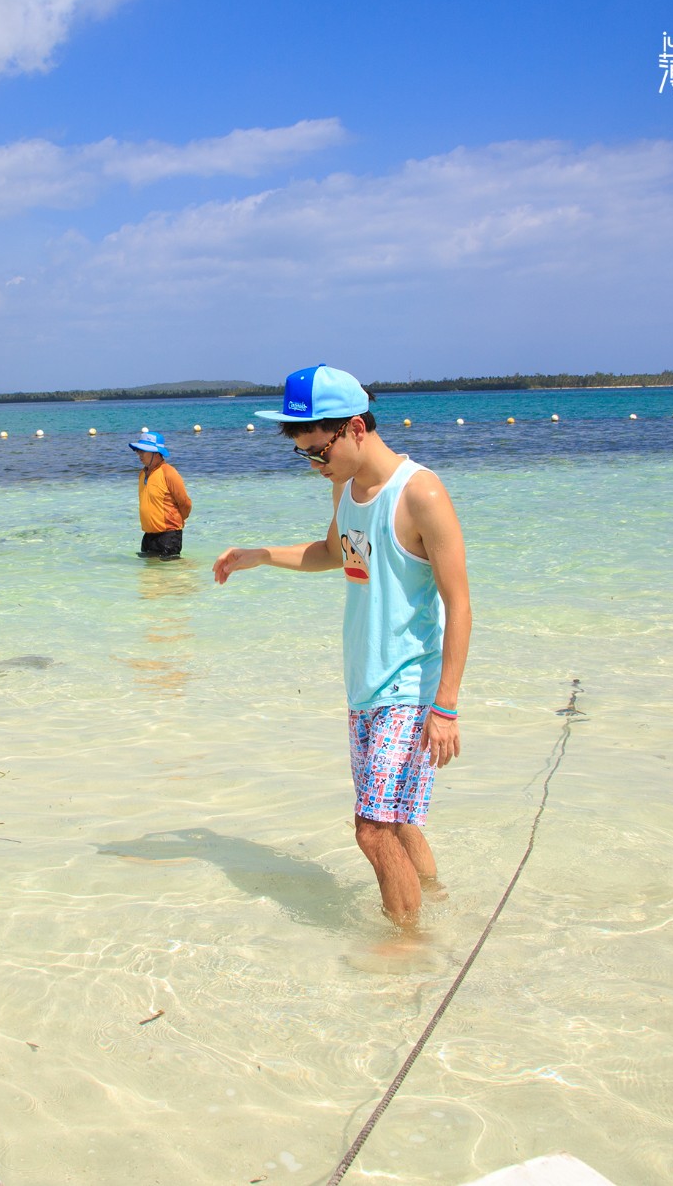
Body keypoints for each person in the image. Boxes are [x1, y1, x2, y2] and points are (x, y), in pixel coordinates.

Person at [211, 365, 471, 932]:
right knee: (396, 821)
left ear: (355, 428)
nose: (314, 465)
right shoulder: (345, 488)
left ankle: (407, 943)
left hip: (411, 687)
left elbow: (460, 604)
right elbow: (335, 553)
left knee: (370, 829)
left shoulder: (420, 493)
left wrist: (446, 706)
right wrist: (260, 554)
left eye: (318, 452)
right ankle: (437, 904)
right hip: (365, 685)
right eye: (303, 454)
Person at [131, 431, 192, 559]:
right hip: (148, 535)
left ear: (156, 453)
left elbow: (185, 503)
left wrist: (176, 522)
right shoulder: (142, 474)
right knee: (148, 575)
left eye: (143, 450)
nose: (139, 454)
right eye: (138, 450)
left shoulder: (168, 472)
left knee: (169, 575)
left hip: (169, 535)